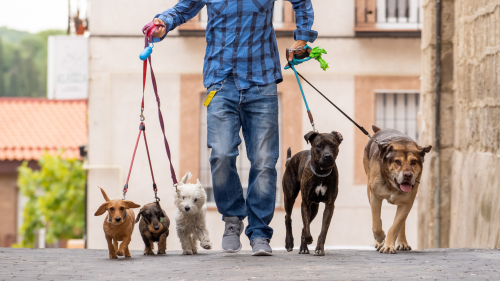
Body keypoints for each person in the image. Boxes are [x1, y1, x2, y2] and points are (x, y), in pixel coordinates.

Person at [152, 0, 317, 256]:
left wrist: (303, 38)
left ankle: (260, 231)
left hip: (261, 82)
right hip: (220, 82)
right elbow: (184, 8)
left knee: (263, 161)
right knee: (221, 154)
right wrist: (162, 23)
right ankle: (232, 218)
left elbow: (301, 3)